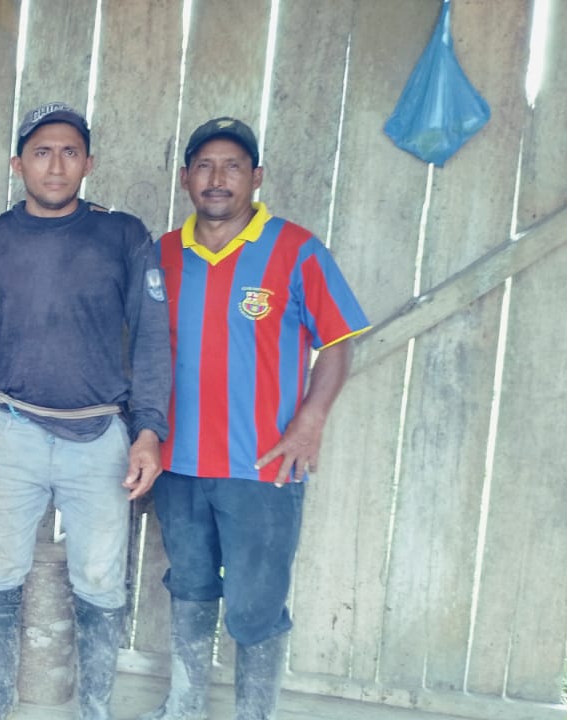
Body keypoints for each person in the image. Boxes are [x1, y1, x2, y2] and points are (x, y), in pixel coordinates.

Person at [139, 117, 369, 720]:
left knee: (255, 605)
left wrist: (311, 420)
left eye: (233, 166)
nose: (218, 178)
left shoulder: (296, 250)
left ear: (256, 177)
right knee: (189, 586)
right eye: (205, 166)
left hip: (264, 467)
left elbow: (338, 341)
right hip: (177, 463)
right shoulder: (161, 255)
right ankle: (184, 707)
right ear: (185, 177)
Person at [0, 102, 172, 720]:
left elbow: (152, 339)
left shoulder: (121, 235)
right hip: (10, 427)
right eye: (42, 152)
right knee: (0, 568)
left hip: (99, 435)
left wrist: (148, 431)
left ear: (88, 164)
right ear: (17, 164)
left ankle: (93, 706)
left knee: (100, 577)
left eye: (70, 152)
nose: (55, 165)